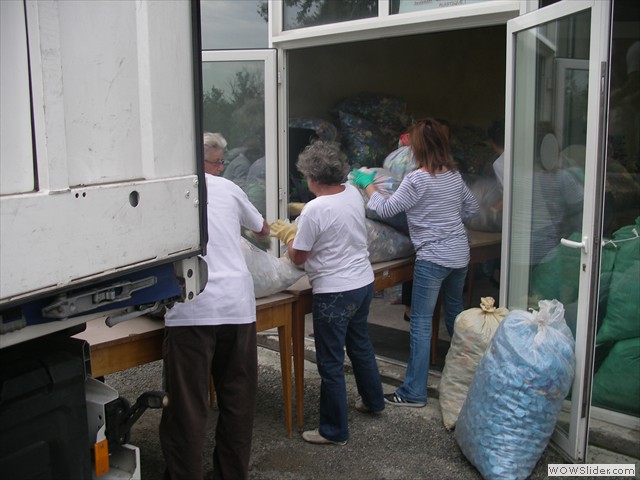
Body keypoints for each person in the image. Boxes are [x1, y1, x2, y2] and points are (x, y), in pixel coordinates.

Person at [159, 132, 270, 480]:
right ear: (204, 161)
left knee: (187, 408)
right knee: (237, 402)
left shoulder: (167, 192)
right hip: (237, 305)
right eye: (217, 162)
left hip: (192, 305)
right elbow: (264, 230)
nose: (221, 168)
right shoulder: (230, 189)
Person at [352, 118, 479, 408]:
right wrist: (446, 215)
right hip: (460, 254)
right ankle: (468, 382)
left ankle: (413, 392)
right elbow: (471, 207)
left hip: (433, 257)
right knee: (456, 317)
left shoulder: (416, 179)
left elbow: (385, 208)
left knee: (421, 324)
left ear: (416, 149)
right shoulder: (453, 175)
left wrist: (368, 185)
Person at [270, 140, 385, 446]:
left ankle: (333, 430)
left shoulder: (315, 209)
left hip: (334, 291)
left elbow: (298, 257)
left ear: (312, 178)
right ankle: (374, 401)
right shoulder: (350, 192)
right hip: (362, 282)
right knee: (359, 344)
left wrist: (287, 234)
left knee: (331, 363)